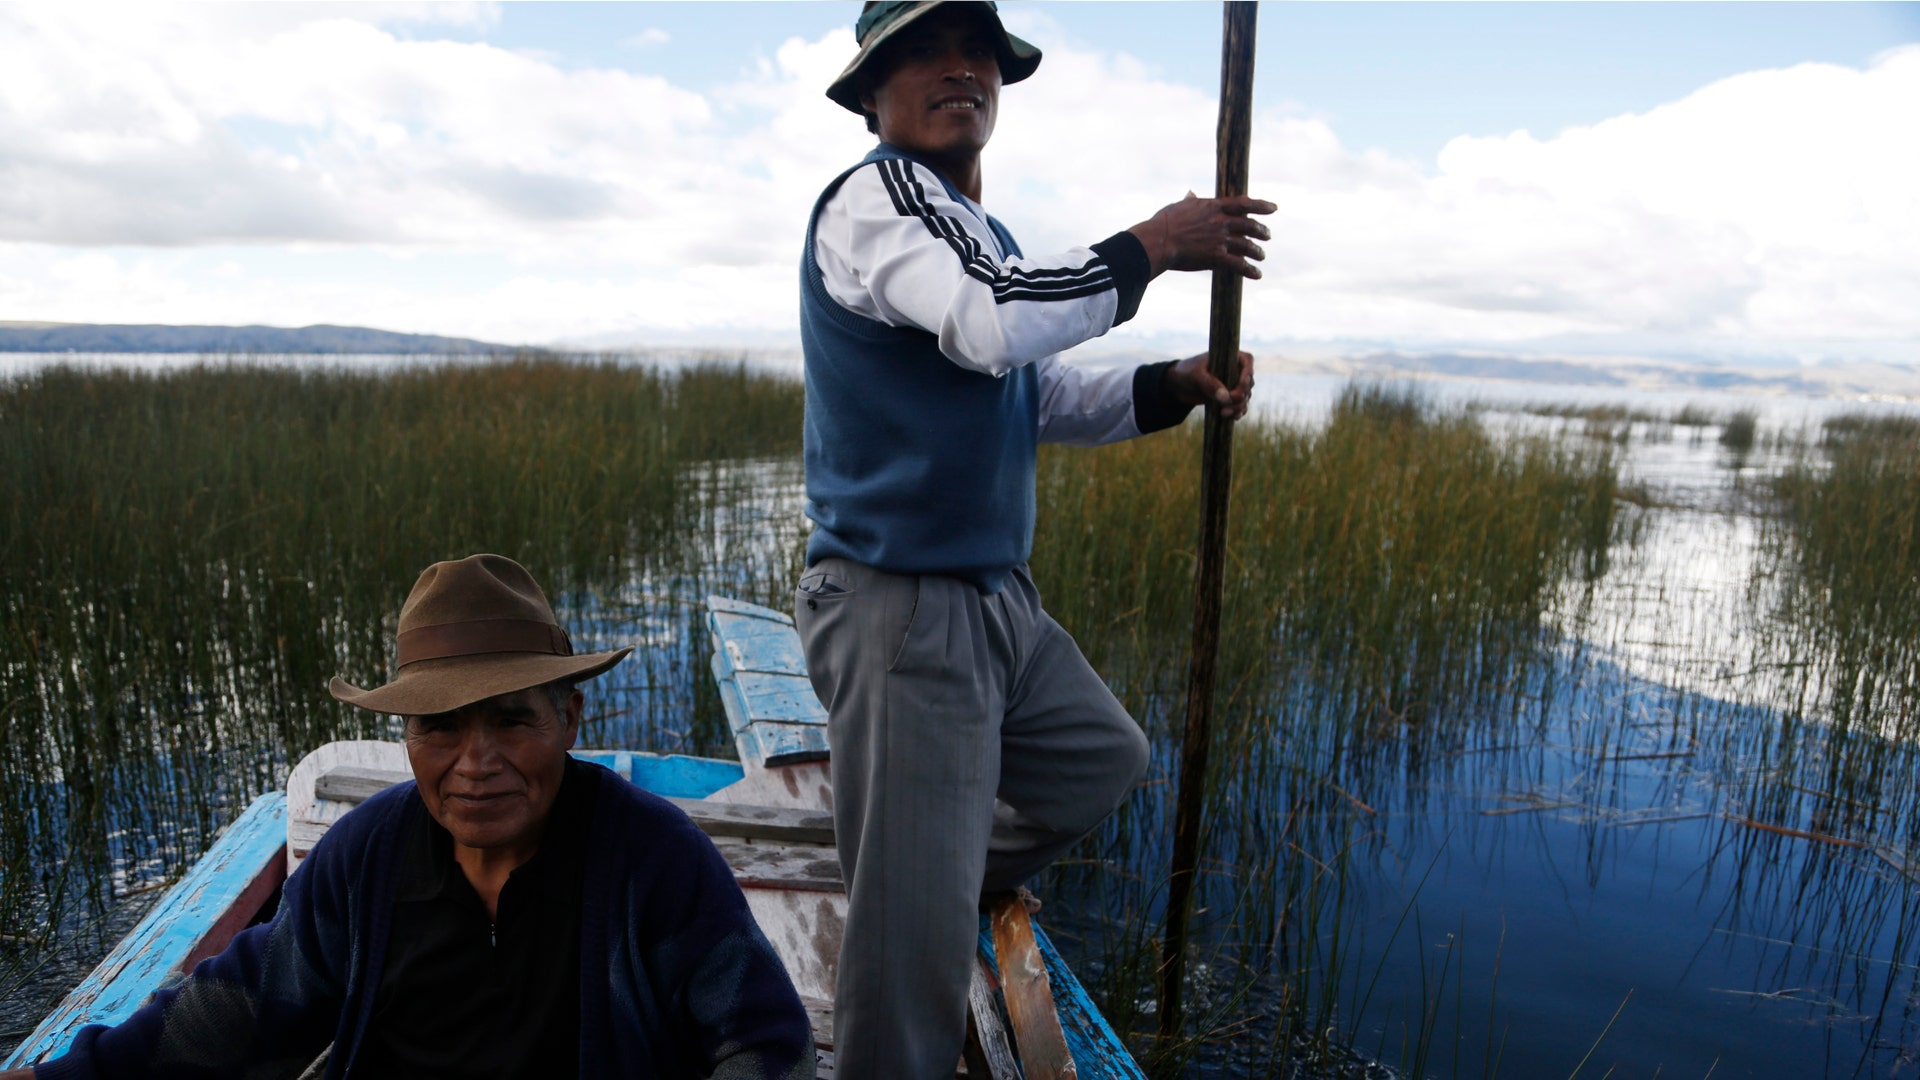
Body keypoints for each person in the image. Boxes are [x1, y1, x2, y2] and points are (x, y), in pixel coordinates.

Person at [793, 2, 1274, 1075]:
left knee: (1100, 760)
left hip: (992, 598)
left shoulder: (974, 233)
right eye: (923, 53)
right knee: (911, 970)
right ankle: (909, 899)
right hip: (902, 603)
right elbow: (996, 321)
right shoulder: (875, 208)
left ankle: (919, 866)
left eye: (979, 55)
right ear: (871, 95)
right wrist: (1154, 245)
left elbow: (1032, 388)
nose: (960, 69)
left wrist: (1174, 387)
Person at [13, 554, 815, 1080]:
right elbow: (245, 1007)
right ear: (406, 735)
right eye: (440, 727)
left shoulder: (653, 860)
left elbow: (764, 1046)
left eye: (510, 720)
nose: (475, 762)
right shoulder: (369, 857)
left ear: (569, 720)